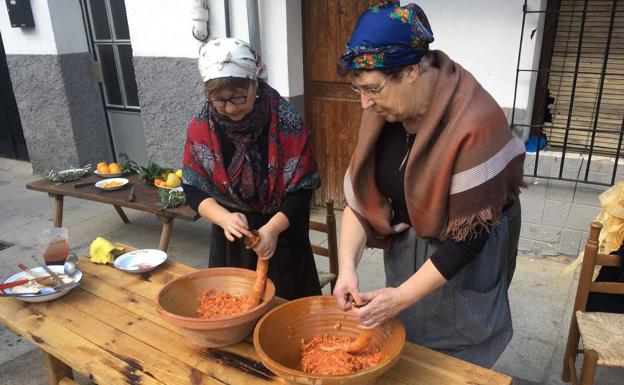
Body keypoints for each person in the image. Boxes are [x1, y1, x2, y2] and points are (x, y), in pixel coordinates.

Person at [333, 1, 525, 368]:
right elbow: (360, 195)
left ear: (411, 71)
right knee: (409, 338)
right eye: (357, 89)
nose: (364, 104)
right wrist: (347, 269)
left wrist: (401, 296)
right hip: (414, 238)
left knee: (457, 349)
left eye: (372, 89)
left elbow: (469, 239)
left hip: (466, 246)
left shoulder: (475, 120)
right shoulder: (381, 112)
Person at [182, 38, 322, 300]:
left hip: (281, 235)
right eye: (219, 100)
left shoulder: (285, 121)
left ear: (255, 83)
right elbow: (192, 186)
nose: (230, 108)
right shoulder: (202, 127)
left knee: (286, 314)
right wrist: (223, 217)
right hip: (231, 237)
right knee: (231, 307)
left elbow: (303, 188)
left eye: (238, 97)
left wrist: (271, 230)